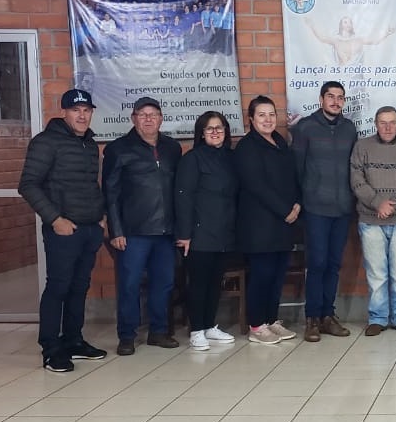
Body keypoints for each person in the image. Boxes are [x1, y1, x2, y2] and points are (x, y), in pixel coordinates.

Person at [18, 89, 107, 372]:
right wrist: (55, 219)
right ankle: (51, 349)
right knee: (58, 286)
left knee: (79, 287)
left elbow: (89, 184)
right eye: (76, 110)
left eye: (86, 110)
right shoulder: (46, 142)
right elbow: (28, 184)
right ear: (64, 112)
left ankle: (73, 341)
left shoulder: (89, 143)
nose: (82, 115)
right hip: (63, 230)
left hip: (89, 228)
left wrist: (100, 216)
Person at [103, 96, 183, 356]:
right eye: (143, 114)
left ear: (161, 119)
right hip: (133, 232)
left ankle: (158, 332)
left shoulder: (172, 148)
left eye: (153, 114)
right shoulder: (118, 149)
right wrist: (116, 230)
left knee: (164, 283)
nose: (148, 119)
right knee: (129, 285)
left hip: (166, 231)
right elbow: (110, 193)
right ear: (133, 119)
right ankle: (127, 335)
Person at [289, 81, 358, 343]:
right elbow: (297, 168)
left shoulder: (349, 128)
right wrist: (300, 200)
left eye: (340, 98)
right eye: (331, 96)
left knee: (334, 264)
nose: (336, 102)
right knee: (317, 263)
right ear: (321, 99)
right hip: (316, 207)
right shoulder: (305, 127)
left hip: (343, 208)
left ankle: (328, 315)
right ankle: (312, 319)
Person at [235, 95, 301, 345]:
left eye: (271, 114)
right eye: (261, 115)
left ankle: (271, 320)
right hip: (259, 224)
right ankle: (256, 325)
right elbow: (256, 185)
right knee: (262, 274)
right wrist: (285, 210)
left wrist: (297, 203)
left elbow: (292, 177)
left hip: (282, 225)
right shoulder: (247, 148)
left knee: (277, 275)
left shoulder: (280, 142)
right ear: (251, 119)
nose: (268, 119)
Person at [352, 106, 396, 336]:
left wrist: (393, 203)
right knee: (376, 273)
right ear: (375, 124)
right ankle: (378, 318)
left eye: (392, 122)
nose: (388, 127)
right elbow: (356, 180)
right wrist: (377, 203)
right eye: (383, 122)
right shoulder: (362, 147)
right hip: (371, 221)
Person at [174, 111, 238, 351]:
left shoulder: (231, 158)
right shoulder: (192, 159)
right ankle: (197, 330)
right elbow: (183, 196)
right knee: (199, 283)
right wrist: (184, 234)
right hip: (199, 233)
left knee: (215, 282)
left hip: (224, 232)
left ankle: (210, 325)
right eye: (210, 128)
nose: (215, 132)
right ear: (201, 133)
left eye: (219, 128)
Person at [305, 16, 396, 66]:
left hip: (356, 76)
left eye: (350, 22)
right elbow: (322, 38)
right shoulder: (336, 41)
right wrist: (312, 26)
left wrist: (387, 33)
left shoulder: (359, 40)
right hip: (341, 74)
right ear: (341, 25)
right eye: (345, 22)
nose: (348, 24)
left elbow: (375, 41)